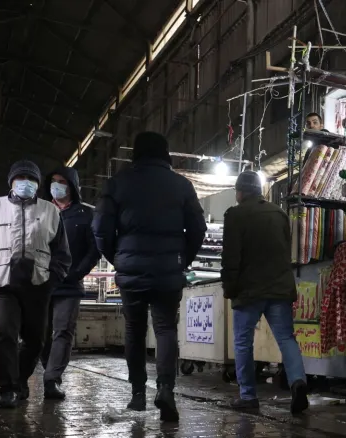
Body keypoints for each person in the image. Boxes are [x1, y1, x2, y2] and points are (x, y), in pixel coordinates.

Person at [93, 132, 206, 422]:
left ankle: (138, 395)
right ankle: (166, 389)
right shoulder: (181, 185)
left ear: (136, 153)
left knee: (134, 329)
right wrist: (182, 259)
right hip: (168, 270)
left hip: (131, 271)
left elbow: (101, 229)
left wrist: (118, 258)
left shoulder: (118, 183)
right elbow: (198, 228)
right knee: (166, 328)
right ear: (165, 154)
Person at [0, 160, 72, 408]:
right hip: (0, 284)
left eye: (31, 179)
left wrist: (52, 279)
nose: (25, 183)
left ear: (38, 184)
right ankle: (7, 389)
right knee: (4, 334)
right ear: (11, 181)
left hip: (37, 284)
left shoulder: (51, 212)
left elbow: (62, 254)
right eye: (20, 178)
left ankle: (19, 381)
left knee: (36, 341)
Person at [222, 171, 309, 415]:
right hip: (279, 287)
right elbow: (286, 251)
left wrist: (229, 288)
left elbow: (230, 257)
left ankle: (248, 396)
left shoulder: (235, 215)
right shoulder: (279, 214)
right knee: (286, 338)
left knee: (243, 342)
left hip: (248, 290)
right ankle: (298, 381)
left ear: (240, 192)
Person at [37, 167, 100, 401]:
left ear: (72, 186)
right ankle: (49, 370)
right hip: (41, 282)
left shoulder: (86, 215)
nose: (57, 185)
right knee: (41, 334)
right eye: (53, 181)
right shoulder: (40, 210)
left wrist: (77, 273)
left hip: (69, 284)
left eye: (62, 181)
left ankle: (52, 379)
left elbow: (94, 250)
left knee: (63, 331)